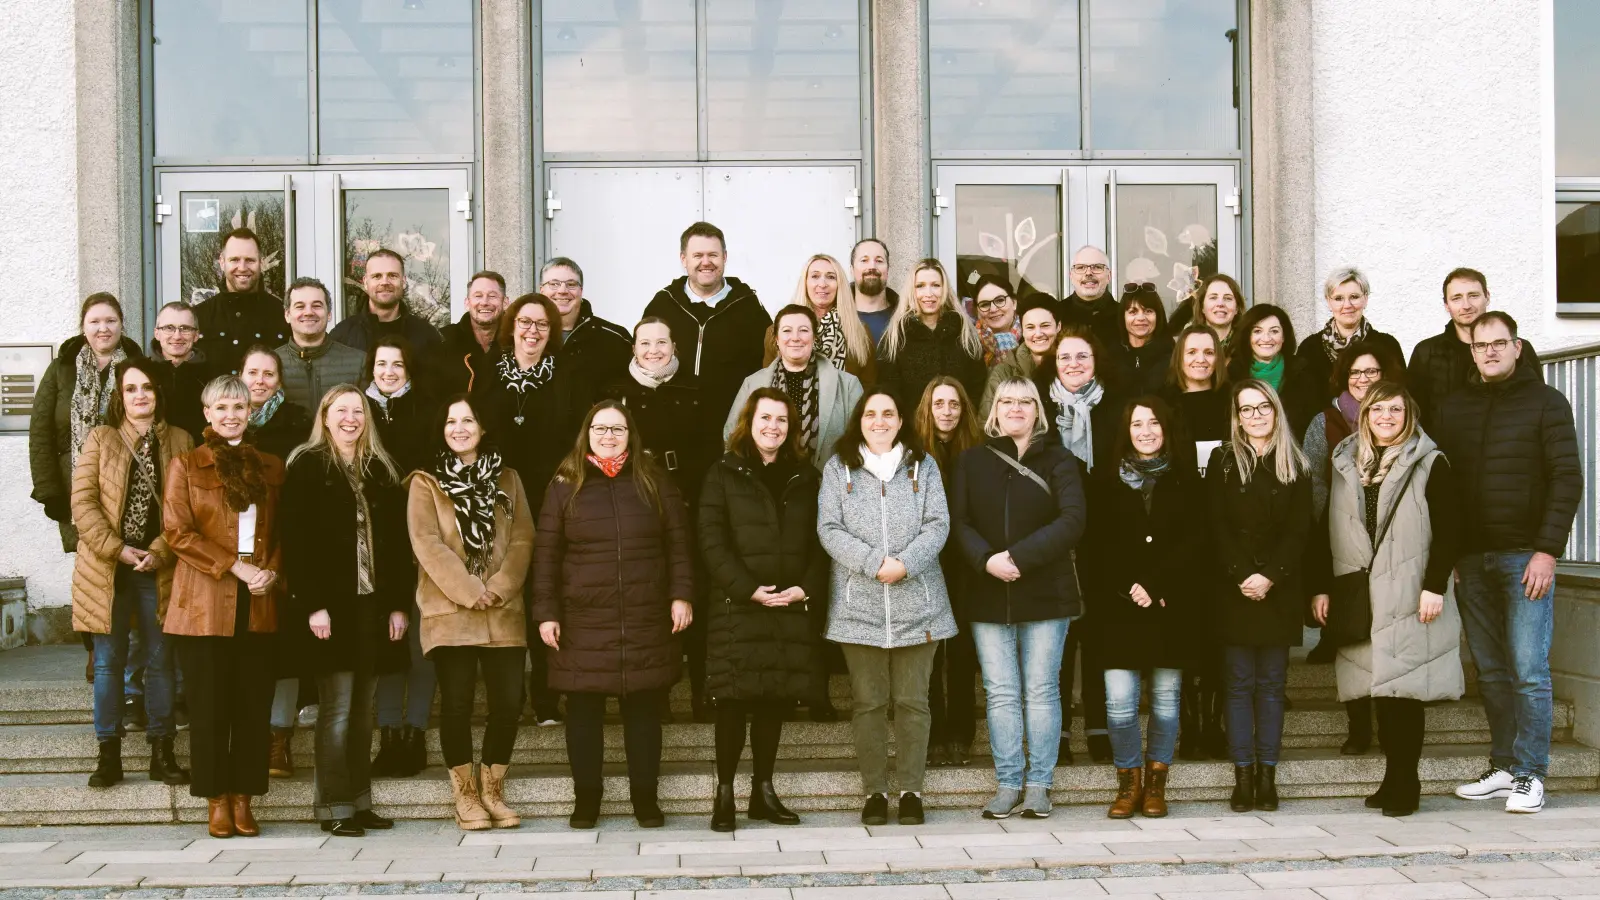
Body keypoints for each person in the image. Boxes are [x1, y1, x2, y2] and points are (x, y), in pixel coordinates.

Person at [1436, 312, 1580, 815]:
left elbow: (1567, 478)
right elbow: (1445, 488)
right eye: (1481, 345)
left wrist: (1548, 550)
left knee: (1528, 670)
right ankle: (1503, 765)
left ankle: (1531, 774)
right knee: (1492, 671)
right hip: (1471, 559)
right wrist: (1449, 554)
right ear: (1471, 351)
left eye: (1500, 343)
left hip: (1526, 557)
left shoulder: (1546, 403)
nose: (1490, 351)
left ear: (1517, 347)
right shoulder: (1455, 408)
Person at [533, 401, 695, 830]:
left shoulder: (653, 480)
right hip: (583, 618)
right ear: (587, 433)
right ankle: (587, 798)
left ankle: (645, 798)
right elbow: (546, 555)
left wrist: (681, 594)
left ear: (631, 434)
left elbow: (679, 543)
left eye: (618, 429)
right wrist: (546, 612)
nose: (609, 436)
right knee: (583, 710)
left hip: (645, 614)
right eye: (600, 429)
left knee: (643, 709)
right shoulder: (564, 484)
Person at [1308, 382, 1463, 817]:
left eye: (1395, 410)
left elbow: (1451, 529)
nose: (1387, 418)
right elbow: (1326, 529)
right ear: (1365, 415)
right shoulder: (1346, 463)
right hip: (1363, 594)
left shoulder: (1431, 463)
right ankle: (1392, 779)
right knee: (1380, 691)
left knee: (1405, 694)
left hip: (1411, 592)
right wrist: (1321, 586)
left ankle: (1405, 784)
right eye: (1378, 410)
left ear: (1408, 415)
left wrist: (1435, 585)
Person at [817, 390, 956, 827]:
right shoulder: (839, 468)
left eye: (888, 414)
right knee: (869, 703)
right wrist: (873, 563)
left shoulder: (924, 465)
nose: (879, 421)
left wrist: (906, 564)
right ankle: (875, 790)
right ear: (860, 420)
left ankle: (912, 790)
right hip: (859, 605)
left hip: (919, 602)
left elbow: (938, 524)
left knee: (914, 702)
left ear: (900, 422)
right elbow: (829, 527)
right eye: (871, 414)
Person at [282, 387, 412, 836]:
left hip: (373, 607)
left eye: (358, 411)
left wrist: (398, 605)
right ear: (326, 416)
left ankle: (359, 802)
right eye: (342, 411)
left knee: (364, 711)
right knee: (336, 709)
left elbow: (397, 547)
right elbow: (296, 543)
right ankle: (333, 807)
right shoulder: (308, 464)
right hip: (330, 609)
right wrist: (313, 606)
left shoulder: (380, 468)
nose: (351, 419)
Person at [952, 377, 1084, 820]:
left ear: (1037, 410)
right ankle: (1009, 784)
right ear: (993, 410)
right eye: (1006, 401)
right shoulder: (971, 462)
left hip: (1046, 591)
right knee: (1001, 693)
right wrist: (987, 560)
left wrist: (1019, 557)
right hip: (988, 590)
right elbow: (957, 522)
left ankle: (1040, 785)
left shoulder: (1060, 460)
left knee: (1043, 691)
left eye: (1024, 401)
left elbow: (1072, 520)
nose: (1015, 408)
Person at [698, 388, 827, 832]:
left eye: (781, 421)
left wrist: (804, 589)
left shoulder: (806, 476)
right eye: (765, 419)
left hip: (788, 605)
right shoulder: (722, 473)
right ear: (748, 423)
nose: (772, 427)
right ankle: (725, 793)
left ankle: (764, 792)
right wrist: (748, 589)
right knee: (733, 701)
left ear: (791, 429)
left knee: (774, 699)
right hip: (738, 606)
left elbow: (820, 543)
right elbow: (711, 542)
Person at [162, 374, 284, 838]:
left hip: (258, 600)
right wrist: (237, 567)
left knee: (253, 708)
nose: (231, 414)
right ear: (206, 414)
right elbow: (178, 533)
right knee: (211, 708)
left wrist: (270, 570)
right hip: (205, 603)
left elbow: (281, 532)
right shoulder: (186, 465)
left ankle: (243, 798)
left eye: (239, 406)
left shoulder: (271, 466)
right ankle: (216, 800)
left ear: (250, 412)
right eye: (221, 407)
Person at [407, 395, 533, 831]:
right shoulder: (425, 482)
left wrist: (497, 589)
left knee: (507, 703)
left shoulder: (509, 478)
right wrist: (469, 590)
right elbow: (426, 542)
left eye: (468, 419)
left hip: (503, 609)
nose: (459, 427)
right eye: (450, 420)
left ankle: (493, 790)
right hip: (450, 609)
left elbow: (522, 540)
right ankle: (465, 795)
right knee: (457, 705)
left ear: (483, 426)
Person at [71, 359, 194, 788]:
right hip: (107, 570)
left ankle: (163, 752)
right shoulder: (100, 439)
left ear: (159, 393)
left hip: (159, 568)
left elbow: (186, 508)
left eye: (147, 387)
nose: (140, 395)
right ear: (119, 396)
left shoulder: (180, 440)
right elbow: (82, 504)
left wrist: (159, 551)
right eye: (130, 388)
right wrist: (118, 550)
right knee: (108, 664)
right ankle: (109, 756)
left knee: (161, 664)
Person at [1087, 398, 1204, 818]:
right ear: (1126, 430)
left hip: (1170, 605)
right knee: (1119, 703)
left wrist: (1155, 586)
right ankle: (1127, 783)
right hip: (1117, 609)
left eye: (1154, 422)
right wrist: (1130, 587)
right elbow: (1096, 548)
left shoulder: (1188, 480)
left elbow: (1194, 543)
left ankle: (1156, 784)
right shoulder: (1102, 482)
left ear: (1166, 427)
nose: (1147, 430)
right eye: (1137, 423)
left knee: (1167, 701)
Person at [604, 318, 718, 723]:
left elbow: (710, 451)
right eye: (645, 342)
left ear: (675, 346)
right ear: (634, 347)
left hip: (687, 500)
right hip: (636, 505)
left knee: (694, 595)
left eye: (661, 342)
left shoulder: (697, 389)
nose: (653, 350)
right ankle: (657, 692)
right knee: (649, 598)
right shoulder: (615, 394)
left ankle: (704, 692)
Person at [1208, 380, 1311, 814]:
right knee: (1237, 685)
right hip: (1234, 588)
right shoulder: (1224, 460)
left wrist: (1270, 576)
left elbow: (1300, 530)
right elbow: (1214, 524)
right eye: (1246, 409)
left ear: (1276, 410)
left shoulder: (1297, 462)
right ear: (1237, 416)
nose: (1254, 416)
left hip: (1278, 589)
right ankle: (1243, 776)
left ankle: (1267, 777)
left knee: (1271, 686)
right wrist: (1242, 574)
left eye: (1262, 407)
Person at [487, 292, 586, 727]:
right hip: (497, 500)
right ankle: (504, 701)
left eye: (542, 324)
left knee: (544, 593)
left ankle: (546, 698)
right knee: (504, 593)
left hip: (550, 500)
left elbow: (577, 440)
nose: (532, 331)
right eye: (524, 322)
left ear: (553, 331)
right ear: (511, 327)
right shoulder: (489, 373)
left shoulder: (568, 374)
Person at [1034, 324, 1119, 762]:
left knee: (1098, 632)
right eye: (1064, 357)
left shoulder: (1115, 407)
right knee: (1060, 634)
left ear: (1095, 360)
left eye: (1081, 356)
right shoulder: (1038, 407)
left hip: (1103, 535)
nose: (1073, 364)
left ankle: (1100, 727)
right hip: (1053, 535)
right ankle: (1062, 731)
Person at [236, 345, 313, 779]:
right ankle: (246, 734)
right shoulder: (225, 421)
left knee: (282, 648)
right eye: (253, 372)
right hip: (234, 558)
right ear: (240, 376)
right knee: (243, 650)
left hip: (281, 549)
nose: (260, 380)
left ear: (279, 380)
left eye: (269, 373)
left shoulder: (298, 422)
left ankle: (278, 739)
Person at [361, 337, 435, 778]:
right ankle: (388, 734)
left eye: (397, 364)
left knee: (421, 644)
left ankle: (416, 732)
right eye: (382, 363)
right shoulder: (358, 411)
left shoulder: (424, 410)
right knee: (390, 642)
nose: (389, 371)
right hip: (375, 542)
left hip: (420, 537)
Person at [1160, 324, 1229, 760]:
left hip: (1226, 535)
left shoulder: (1232, 403)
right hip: (1180, 534)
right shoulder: (1164, 406)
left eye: (1209, 351)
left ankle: (1214, 725)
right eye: (1192, 352)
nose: (1201, 359)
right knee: (1184, 634)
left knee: (1219, 634)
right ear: (1179, 358)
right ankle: (1189, 727)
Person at [31, 293, 144, 552]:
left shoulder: (138, 368)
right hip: (74, 486)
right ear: (83, 326)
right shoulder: (61, 369)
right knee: (88, 565)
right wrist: (49, 491)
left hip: (126, 484)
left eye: (110, 320)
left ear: (121, 324)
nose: (103, 329)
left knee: (124, 558)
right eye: (95, 321)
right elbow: (40, 433)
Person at [643, 222, 771, 434]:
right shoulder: (662, 305)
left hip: (731, 430)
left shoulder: (749, 307)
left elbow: (766, 367)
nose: (706, 262)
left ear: (725, 257)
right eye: (697, 255)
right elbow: (642, 363)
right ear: (683, 259)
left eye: (713, 255)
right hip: (670, 430)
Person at [915, 377, 984, 768]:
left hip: (966, 562)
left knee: (960, 650)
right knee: (928, 652)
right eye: (939, 404)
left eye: (954, 404)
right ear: (927, 408)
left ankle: (961, 732)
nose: (946, 411)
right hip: (925, 561)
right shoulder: (912, 452)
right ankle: (932, 732)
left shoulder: (977, 451)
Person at [728, 304, 864, 471]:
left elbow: (862, 442)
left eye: (803, 330)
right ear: (776, 339)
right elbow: (731, 435)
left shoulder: (848, 385)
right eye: (786, 331)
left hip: (826, 488)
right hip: (764, 488)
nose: (795, 337)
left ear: (815, 337)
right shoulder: (752, 383)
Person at [1408, 268, 1542, 436]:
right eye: (1457, 298)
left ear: (1487, 296)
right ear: (1446, 305)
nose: (1466, 306)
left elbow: (1537, 403)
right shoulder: (1426, 352)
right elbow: (1414, 415)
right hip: (1443, 453)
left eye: (1473, 296)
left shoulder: (1516, 348)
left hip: (1506, 451)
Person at [876, 258, 986, 412]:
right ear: (912, 291)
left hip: (959, 430)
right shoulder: (895, 338)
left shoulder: (965, 334)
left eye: (936, 285)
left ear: (945, 289)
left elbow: (977, 388)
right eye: (920, 286)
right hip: (912, 433)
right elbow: (890, 395)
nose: (928, 294)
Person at [1296, 268, 1406, 405]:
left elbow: (1399, 397)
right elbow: (1302, 403)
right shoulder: (1310, 348)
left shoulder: (1387, 345)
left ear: (1365, 299)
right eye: (1338, 298)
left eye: (1354, 297)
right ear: (1328, 302)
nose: (1347, 305)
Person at [764, 253, 878, 385]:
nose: (822, 284)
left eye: (830, 277)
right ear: (805, 282)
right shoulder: (777, 331)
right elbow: (767, 388)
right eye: (815, 276)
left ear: (839, 284)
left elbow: (868, 390)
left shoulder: (860, 333)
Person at [193, 228, 290, 373]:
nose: (242, 268)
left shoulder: (282, 314)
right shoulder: (199, 316)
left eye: (250, 260)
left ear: (261, 262)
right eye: (235, 260)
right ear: (222, 262)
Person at [539, 257, 635, 386]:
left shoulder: (616, 339)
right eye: (554, 284)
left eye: (571, 284)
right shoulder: (525, 337)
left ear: (581, 291)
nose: (562, 291)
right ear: (542, 290)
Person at [277, 277, 366, 412]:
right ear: (287, 315)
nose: (308, 312)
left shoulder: (359, 362)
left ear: (329, 314)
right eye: (300, 306)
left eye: (317, 306)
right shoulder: (270, 365)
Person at [330, 249, 443, 354]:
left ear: (403, 282)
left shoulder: (427, 336)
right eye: (377, 276)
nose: (384, 282)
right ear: (365, 282)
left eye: (392, 275)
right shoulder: (342, 336)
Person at [1225, 304, 1315, 435]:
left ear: (1283, 337)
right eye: (1257, 331)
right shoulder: (1232, 376)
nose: (1266, 338)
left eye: (1274, 331)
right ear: (1248, 336)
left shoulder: (1303, 374)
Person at [430, 270, 508, 400]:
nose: (484, 302)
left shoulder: (517, 342)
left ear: (505, 302)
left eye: (492, 296)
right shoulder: (443, 341)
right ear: (467, 303)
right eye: (478, 296)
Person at [148, 301, 215, 443]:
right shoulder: (141, 373)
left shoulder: (213, 376)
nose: (177, 336)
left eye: (185, 328)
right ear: (157, 333)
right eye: (169, 328)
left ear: (196, 335)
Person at [981, 297, 1059, 411]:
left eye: (1045, 325)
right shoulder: (1003, 372)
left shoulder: (1071, 366)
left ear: (1058, 326)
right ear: (1023, 330)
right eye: (1030, 327)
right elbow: (986, 422)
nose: (1038, 333)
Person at [1105, 284, 1173, 396]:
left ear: (1158, 316)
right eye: (1133, 312)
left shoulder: (1172, 356)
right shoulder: (1110, 357)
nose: (1141, 318)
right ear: (1123, 317)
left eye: (1148, 311)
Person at [1170, 274, 1246, 351]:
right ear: (1202, 307)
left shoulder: (1249, 345)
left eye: (1228, 298)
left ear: (1237, 308)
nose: (1220, 304)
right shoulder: (1186, 344)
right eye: (1213, 298)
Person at [1061, 246, 1119, 342]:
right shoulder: (1057, 315)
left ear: (1109, 276)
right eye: (1080, 267)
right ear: (1071, 276)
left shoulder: (1125, 317)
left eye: (1097, 267)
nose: (1088, 273)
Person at [850, 238, 898, 346]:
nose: (872, 266)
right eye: (864, 260)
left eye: (879, 261)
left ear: (888, 269)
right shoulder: (835, 318)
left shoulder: (904, 318)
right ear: (852, 270)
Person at [967, 274, 1022, 368]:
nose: (993, 309)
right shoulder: (970, 347)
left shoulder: (1033, 337)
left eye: (1000, 300)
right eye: (984, 304)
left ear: (1014, 303)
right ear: (977, 311)